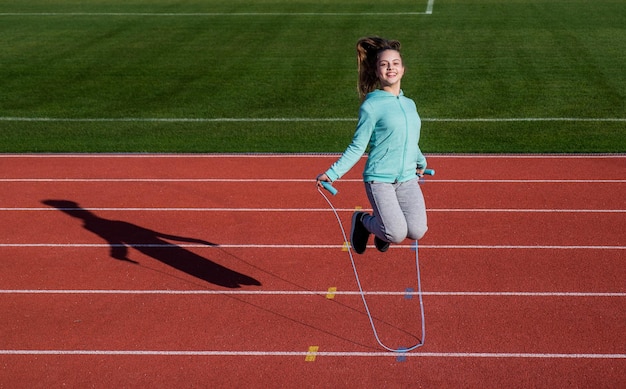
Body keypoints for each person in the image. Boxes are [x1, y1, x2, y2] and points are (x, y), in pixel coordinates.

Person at [316, 36, 428, 254]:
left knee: (417, 231)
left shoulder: (409, 104)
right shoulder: (372, 105)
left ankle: (381, 227)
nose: (390, 68)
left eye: (395, 63)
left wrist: (421, 162)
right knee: (395, 234)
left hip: (407, 178)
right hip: (380, 180)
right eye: (384, 64)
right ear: (377, 72)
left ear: (403, 69)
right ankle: (363, 222)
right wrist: (332, 173)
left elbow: (409, 139)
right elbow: (358, 146)